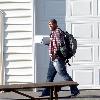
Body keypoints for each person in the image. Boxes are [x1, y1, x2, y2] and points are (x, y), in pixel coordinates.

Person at [40, 19, 80, 97]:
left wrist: (55, 54)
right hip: (53, 58)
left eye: (51, 24)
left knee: (64, 74)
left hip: (57, 58)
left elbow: (59, 44)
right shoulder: (53, 32)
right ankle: (46, 92)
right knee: (49, 76)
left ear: (55, 24)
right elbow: (54, 44)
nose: (50, 26)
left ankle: (75, 90)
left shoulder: (57, 32)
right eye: (49, 25)